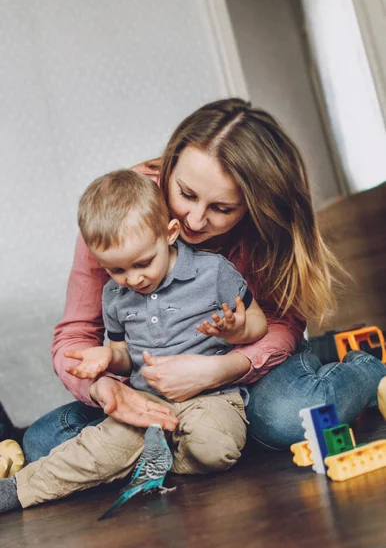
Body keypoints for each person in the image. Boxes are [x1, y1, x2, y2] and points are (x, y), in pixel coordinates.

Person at [22, 97, 386, 462]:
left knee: (282, 419)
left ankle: (366, 372)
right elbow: (75, 334)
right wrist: (104, 388)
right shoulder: (120, 216)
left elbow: (282, 324)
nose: (195, 221)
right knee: (43, 443)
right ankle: (214, 436)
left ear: (253, 206)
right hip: (159, 389)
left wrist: (218, 370)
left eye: (222, 208)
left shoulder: (265, 227)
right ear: (169, 169)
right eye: (186, 194)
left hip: (245, 368)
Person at [0, 167, 268, 511]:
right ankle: (18, 490)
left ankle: (154, 462)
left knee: (215, 448)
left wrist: (238, 331)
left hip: (211, 396)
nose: (134, 279)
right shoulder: (115, 296)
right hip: (145, 401)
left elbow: (260, 324)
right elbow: (125, 355)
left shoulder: (214, 272)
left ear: (170, 233)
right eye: (117, 270)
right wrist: (108, 359)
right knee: (95, 452)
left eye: (143, 263)